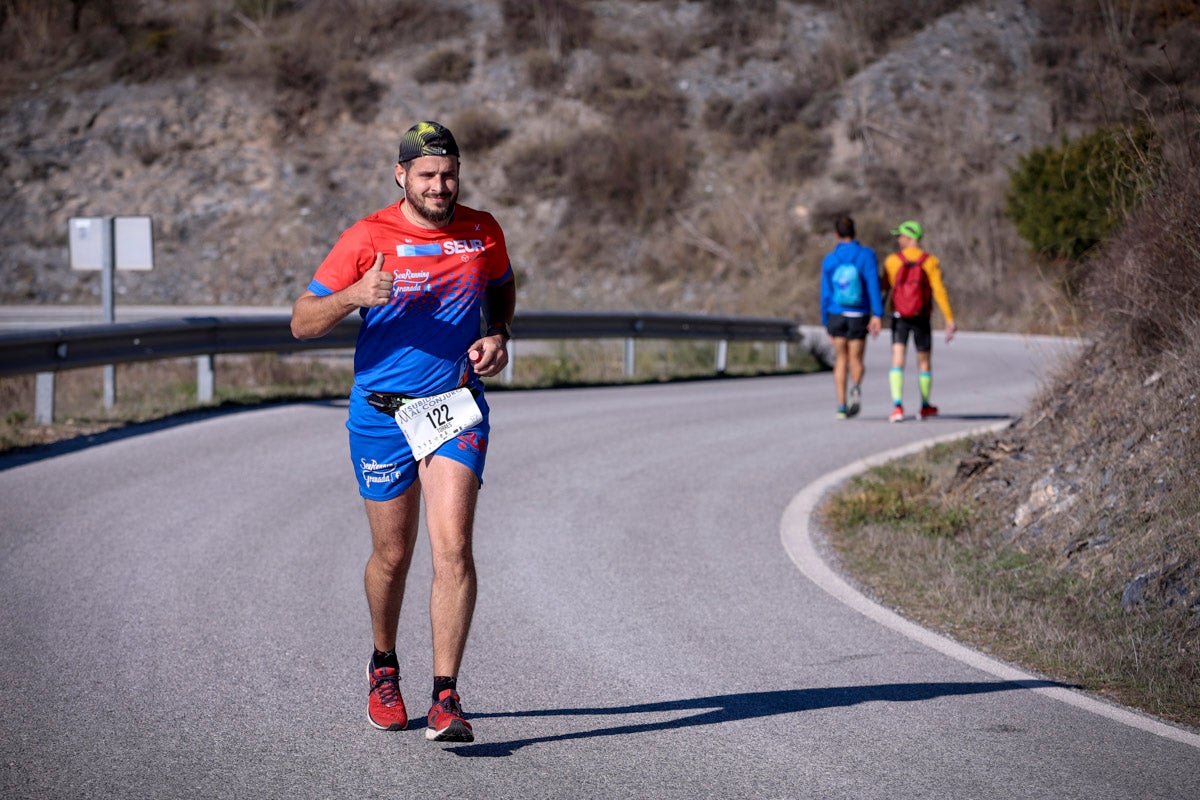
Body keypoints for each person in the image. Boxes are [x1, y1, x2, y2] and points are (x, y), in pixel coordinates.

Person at [290, 121, 516, 743]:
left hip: (453, 406)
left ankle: (446, 696)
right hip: (381, 414)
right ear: (401, 177)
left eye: (449, 175)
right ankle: (384, 665)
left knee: (454, 548)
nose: (440, 186)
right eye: (427, 175)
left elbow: (501, 286)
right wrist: (354, 294)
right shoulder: (367, 236)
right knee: (393, 554)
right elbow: (301, 322)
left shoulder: (482, 229)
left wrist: (497, 334)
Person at [881, 219, 956, 422]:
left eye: (900, 235)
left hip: (899, 316)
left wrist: (876, 315)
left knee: (898, 358)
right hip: (922, 316)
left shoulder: (892, 261)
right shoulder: (930, 261)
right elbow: (939, 291)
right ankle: (924, 405)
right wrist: (949, 318)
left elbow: (883, 290)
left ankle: (897, 406)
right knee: (924, 361)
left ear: (910, 236)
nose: (898, 239)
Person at [819, 215, 883, 419]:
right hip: (859, 314)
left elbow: (825, 292)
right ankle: (855, 388)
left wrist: (825, 320)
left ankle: (840, 405)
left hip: (836, 314)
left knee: (840, 359)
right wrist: (878, 314)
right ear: (855, 232)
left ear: (836, 234)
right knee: (856, 358)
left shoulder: (830, 259)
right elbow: (873, 285)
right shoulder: (866, 255)